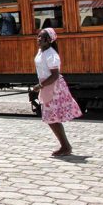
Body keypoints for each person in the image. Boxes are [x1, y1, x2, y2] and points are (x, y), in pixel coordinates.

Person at [33, 28, 81, 156]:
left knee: (52, 118)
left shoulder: (51, 55)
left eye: (41, 37)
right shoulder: (42, 51)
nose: (38, 39)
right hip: (47, 86)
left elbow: (54, 75)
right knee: (51, 118)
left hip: (53, 87)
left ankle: (66, 146)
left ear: (49, 40)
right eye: (38, 36)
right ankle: (65, 145)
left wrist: (40, 85)